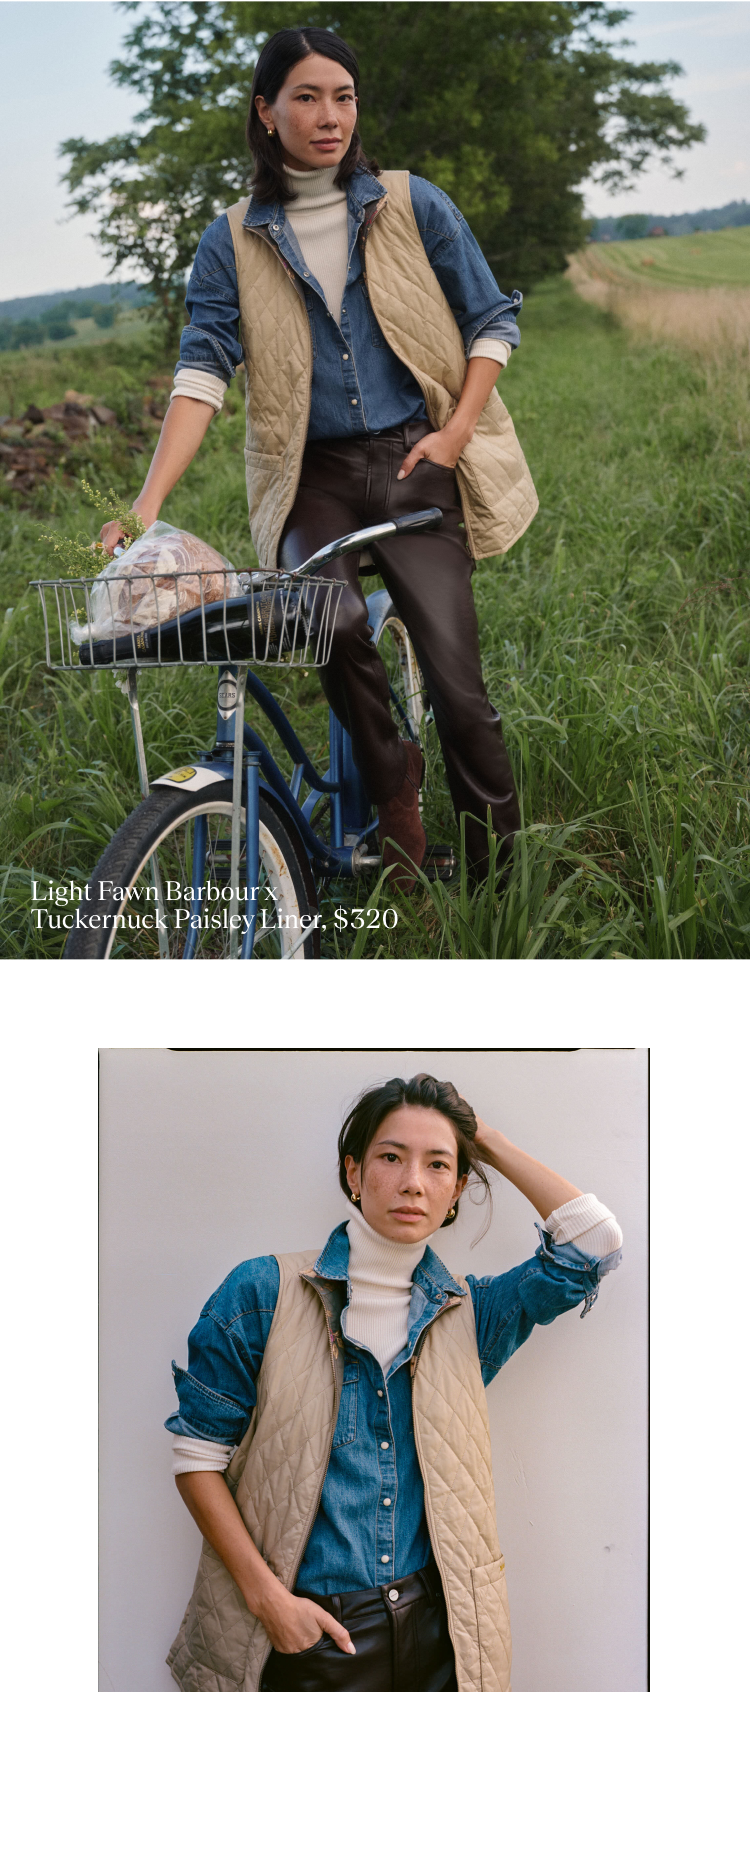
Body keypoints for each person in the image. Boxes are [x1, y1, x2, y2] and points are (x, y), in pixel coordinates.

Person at [100, 26, 538, 888]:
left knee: (461, 695)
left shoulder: (411, 204)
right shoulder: (231, 241)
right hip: (312, 480)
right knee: (326, 619)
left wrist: (454, 434)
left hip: (416, 465)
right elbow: (201, 374)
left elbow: (492, 319)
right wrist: (144, 506)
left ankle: (499, 886)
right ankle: (393, 786)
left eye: (343, 96)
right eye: (306, 97)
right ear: (266, 113)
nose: (330, 115)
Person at [165, 1073, 622, 1692]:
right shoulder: (263, 1293)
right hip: (309, 1634)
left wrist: (483, 1139)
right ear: (353, 1173)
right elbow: (197, 1459)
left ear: (456, 1189)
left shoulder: (470, 1315)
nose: (412, 1182)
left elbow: (593, 1242)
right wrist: (270, 1602)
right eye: (390, 1157)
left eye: (438, 1165)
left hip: (444, 1636)